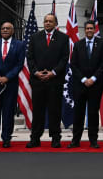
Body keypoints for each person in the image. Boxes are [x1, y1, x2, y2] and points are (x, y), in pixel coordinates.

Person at [26, 12, 70, 148]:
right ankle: (35, 138)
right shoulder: (35, 37)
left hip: (54, 81)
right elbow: (30, 57)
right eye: (46, 21)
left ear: (56, 23)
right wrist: (35, 72)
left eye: (50, 21)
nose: (48, 23)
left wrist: (54, 72)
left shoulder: (63, 38)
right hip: (38, 81)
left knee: (55, 111)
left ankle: (55, 138)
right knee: (38, 111)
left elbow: (64, 58)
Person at [0, 21, 25, 148]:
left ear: (12, 31)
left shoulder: (19, 45)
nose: (5, 30)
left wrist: (7, 77)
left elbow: (19, 65)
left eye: (8, 28)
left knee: (8, 113)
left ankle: (6, 138)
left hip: (10, 85)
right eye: (3, 28)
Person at [68, 20, 103, 148]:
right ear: (84, 30)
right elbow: (73, 64)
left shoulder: (101, 44)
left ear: (95, 30)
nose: (89, 30)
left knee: (93, 113)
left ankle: (93, 140)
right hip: (80, 85)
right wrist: (84, 79)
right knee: (78, 113)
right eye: (87, 28)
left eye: (91, 28)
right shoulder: (78, 45)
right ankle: (75, 140)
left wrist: (93, 79)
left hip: (96, 85)